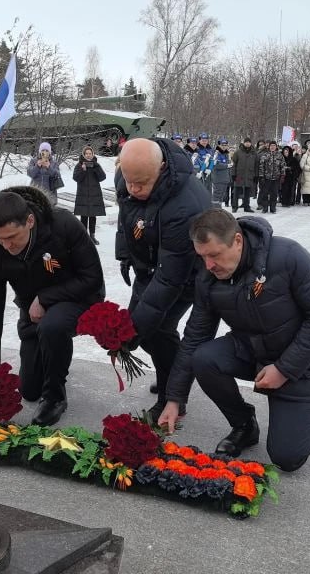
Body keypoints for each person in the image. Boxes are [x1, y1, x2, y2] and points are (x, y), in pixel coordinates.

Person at [157, 209, 310, 472]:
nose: (208, 265)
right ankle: (244, 425)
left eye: (214, 255)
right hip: (253, 350)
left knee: (287, 458)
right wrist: (174, 398)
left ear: (238, 241)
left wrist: (284, 369)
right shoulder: (209, 277)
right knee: (204, 358)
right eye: (202, 256)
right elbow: (195, 336)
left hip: (303, 362)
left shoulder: (288, 256)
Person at [0, 186, 105, 426]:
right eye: (0, 239)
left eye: (12, 237)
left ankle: (55, 398)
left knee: (53, 326)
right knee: (30, 390)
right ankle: (54, 358)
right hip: (33, 312)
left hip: (79, 297)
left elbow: (92, 278)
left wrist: (45, 298)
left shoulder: (62, 225)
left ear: (30, 221)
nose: (7, 246)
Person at [116, 138, 210, 417]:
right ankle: (170, 373)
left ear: (162, 167)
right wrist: (126, 254)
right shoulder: (130, 176)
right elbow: (126, 216)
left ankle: (173, 394)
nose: (133, 189)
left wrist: (134, 332)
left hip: (186, 273)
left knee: (156, 330)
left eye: (141, 183)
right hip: (149, 265)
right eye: (129, 181)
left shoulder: (184, 206)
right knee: (149, 333)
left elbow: (170, 277)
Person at [72, 145, 107, 244]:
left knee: (92, 216)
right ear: (84, 154)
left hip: (94, 194)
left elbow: (102, 177)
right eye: (86, 153)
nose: (88, 155)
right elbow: (76, 178)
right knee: (83, 217)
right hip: (83, 195)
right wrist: (83, 170)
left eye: (90, 153)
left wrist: (96, 167)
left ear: (92, 154)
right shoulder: (79, 165)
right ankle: (84, 237)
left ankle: (92, 236)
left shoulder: (96, 164)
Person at [27, 142, 62, 206]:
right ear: (40, 151)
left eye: (47, 150)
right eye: (43, 150)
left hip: (50, 193)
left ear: (50, 152)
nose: (44, 152)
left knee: (48, 210)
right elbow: (30, 173)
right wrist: (37, 166)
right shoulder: (34, 161)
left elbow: (57, 175)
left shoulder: (54, 163)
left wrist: (49, 167)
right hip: (36, 191)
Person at [257, 141, 285, 214]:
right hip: (266, 178)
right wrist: (261, 176)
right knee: (265, 193)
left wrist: (282, 175)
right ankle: (265, 208)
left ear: (276, 147)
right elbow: (261, 166)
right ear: (269, 147)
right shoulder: (265, 155)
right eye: (271, 146)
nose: (272, 147)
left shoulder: (280, 155)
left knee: (274, 194)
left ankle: (273, 208)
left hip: (276, 178)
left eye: (274, 145)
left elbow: (282, 166)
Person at [230, 137, 257, 213]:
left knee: (247, 192)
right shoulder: (238, 152)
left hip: (249, 175)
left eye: (249, 142)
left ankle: (246, 207)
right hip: (239, 175)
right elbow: (233, 164)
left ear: (250, 143)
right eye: (246, 142)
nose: (247, 143)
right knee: (236, 191)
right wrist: (233, 174)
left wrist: (256, 175)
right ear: (244, 143)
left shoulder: (254, 153)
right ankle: (234, 206)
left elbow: (256, 165)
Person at [210, 139, 232, 208]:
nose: (224, 146)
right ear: (219, 145)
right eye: (222, 145)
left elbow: (229, 163)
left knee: (221, 196)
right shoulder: (216, 153)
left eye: (225, 145)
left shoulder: (226, 153)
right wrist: (227, 165)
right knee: (216, 196)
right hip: (218, 179)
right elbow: (215, 165)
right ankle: (215, 210)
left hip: (225, 179)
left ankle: (219, 209)